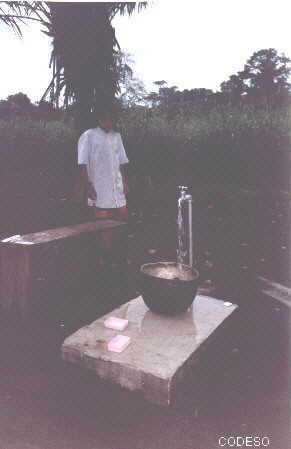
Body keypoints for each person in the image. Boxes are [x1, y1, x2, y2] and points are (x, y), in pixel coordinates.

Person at [76, 110, 129, 267]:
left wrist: (124, 182)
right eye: (104, 118)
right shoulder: (89, 135)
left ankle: (119, 258)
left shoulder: (116, 137)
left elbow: (121, 162)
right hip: (99, 189)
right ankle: (104, 260)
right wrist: (88, 184)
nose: (108, 121)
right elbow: (82, 163)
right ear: (99, 119)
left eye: (110, 118)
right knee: (103, 227)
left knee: (122, 222)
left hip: (117, 190)